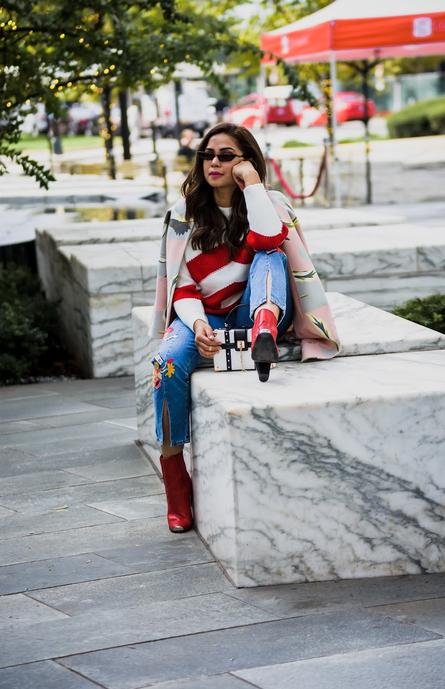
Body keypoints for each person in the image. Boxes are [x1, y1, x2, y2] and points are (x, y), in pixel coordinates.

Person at [150, 122, 340, 533]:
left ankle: (264, 330)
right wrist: (199, 326)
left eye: (226, 155)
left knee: (268, 252)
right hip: (207, 313)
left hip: (260, 309)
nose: (213, 162)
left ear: (245, 162)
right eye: (207, 154)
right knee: (166, 363)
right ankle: (176, 483)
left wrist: (253, 184)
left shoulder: (268, 203)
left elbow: (271, 239)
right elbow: (182, 287)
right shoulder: (183, 216)